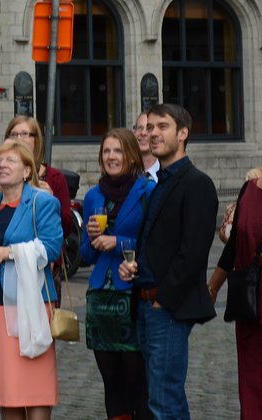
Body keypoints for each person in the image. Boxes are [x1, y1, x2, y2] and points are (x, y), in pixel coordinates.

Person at [118, 103, 218, 420]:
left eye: (163, 127)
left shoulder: (196, 183)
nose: (152, 133)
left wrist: (163, 299)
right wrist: (135, 269)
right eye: (149, 127)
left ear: (183, 134)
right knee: (157, 396)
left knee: (164, 398)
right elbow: (157, 244)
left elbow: (193, 253)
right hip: (146, 303)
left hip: (168, 307)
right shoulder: (159, 181)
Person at [0, 139, 63, 419]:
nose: (1, 165)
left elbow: (51, 248)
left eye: (10, 161)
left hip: (33, 303)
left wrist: (6, 253)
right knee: (7, 387)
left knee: (36, 384)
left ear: (27, 171)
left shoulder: (42, 202)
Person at [79, 127, 154, 420]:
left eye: (118, 151)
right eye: (106, 151)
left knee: (138, 384)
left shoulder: (147, 191)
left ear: (132, 156)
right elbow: (86, 255)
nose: (111, 157)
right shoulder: (93, 196)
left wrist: (118, 242)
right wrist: (91, 236)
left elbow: (155, 244)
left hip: (132, 297)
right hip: (100, 299)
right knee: (111, 384)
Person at [209, 164, 262, 420]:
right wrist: (214, 285)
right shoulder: (249, 190)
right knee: (251, 390)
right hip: (250, 307)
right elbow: (232, 248)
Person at [4, 117, 75, 292]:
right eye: (14, 134)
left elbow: (67, 227)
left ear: (36, 140)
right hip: (6, 264)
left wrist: (52, 202)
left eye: (24, 134)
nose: (18, 138)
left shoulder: (55, 178)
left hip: (45, 266)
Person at [132, 111, 159, 183]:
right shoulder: (123, 172)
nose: (143, 133)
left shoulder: (168, 174)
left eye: (148, 128)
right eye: (139, 128)